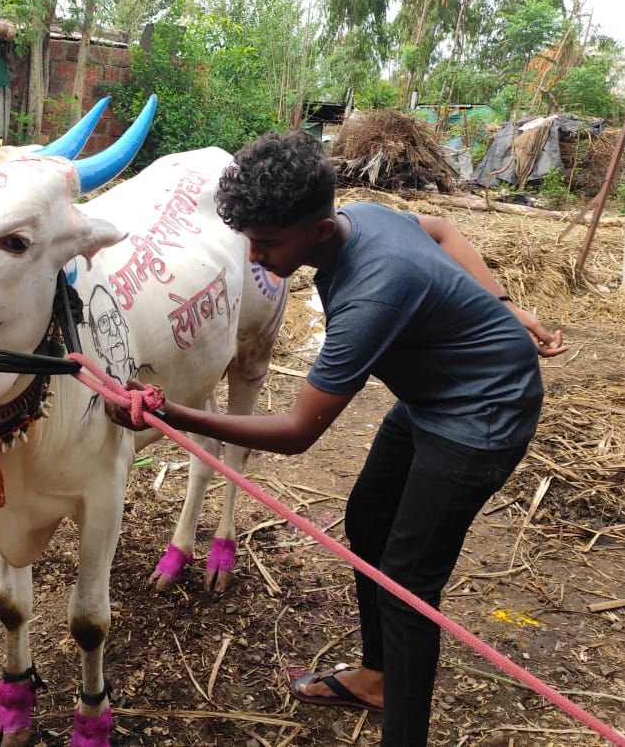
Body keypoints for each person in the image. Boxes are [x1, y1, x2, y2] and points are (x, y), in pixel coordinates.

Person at [108, 130, 567, 746]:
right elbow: (441, 231)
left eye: (267, 243)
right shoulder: (363, 218)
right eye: (248, 241)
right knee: (368, 520)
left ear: (318, 232)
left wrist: (177, 416)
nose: (254, 258)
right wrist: (508, 306)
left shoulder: (370, 294)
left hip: (481, 416)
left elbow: (298, 432)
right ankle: (379, 677)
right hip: (434, 395)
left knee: (408, 584)